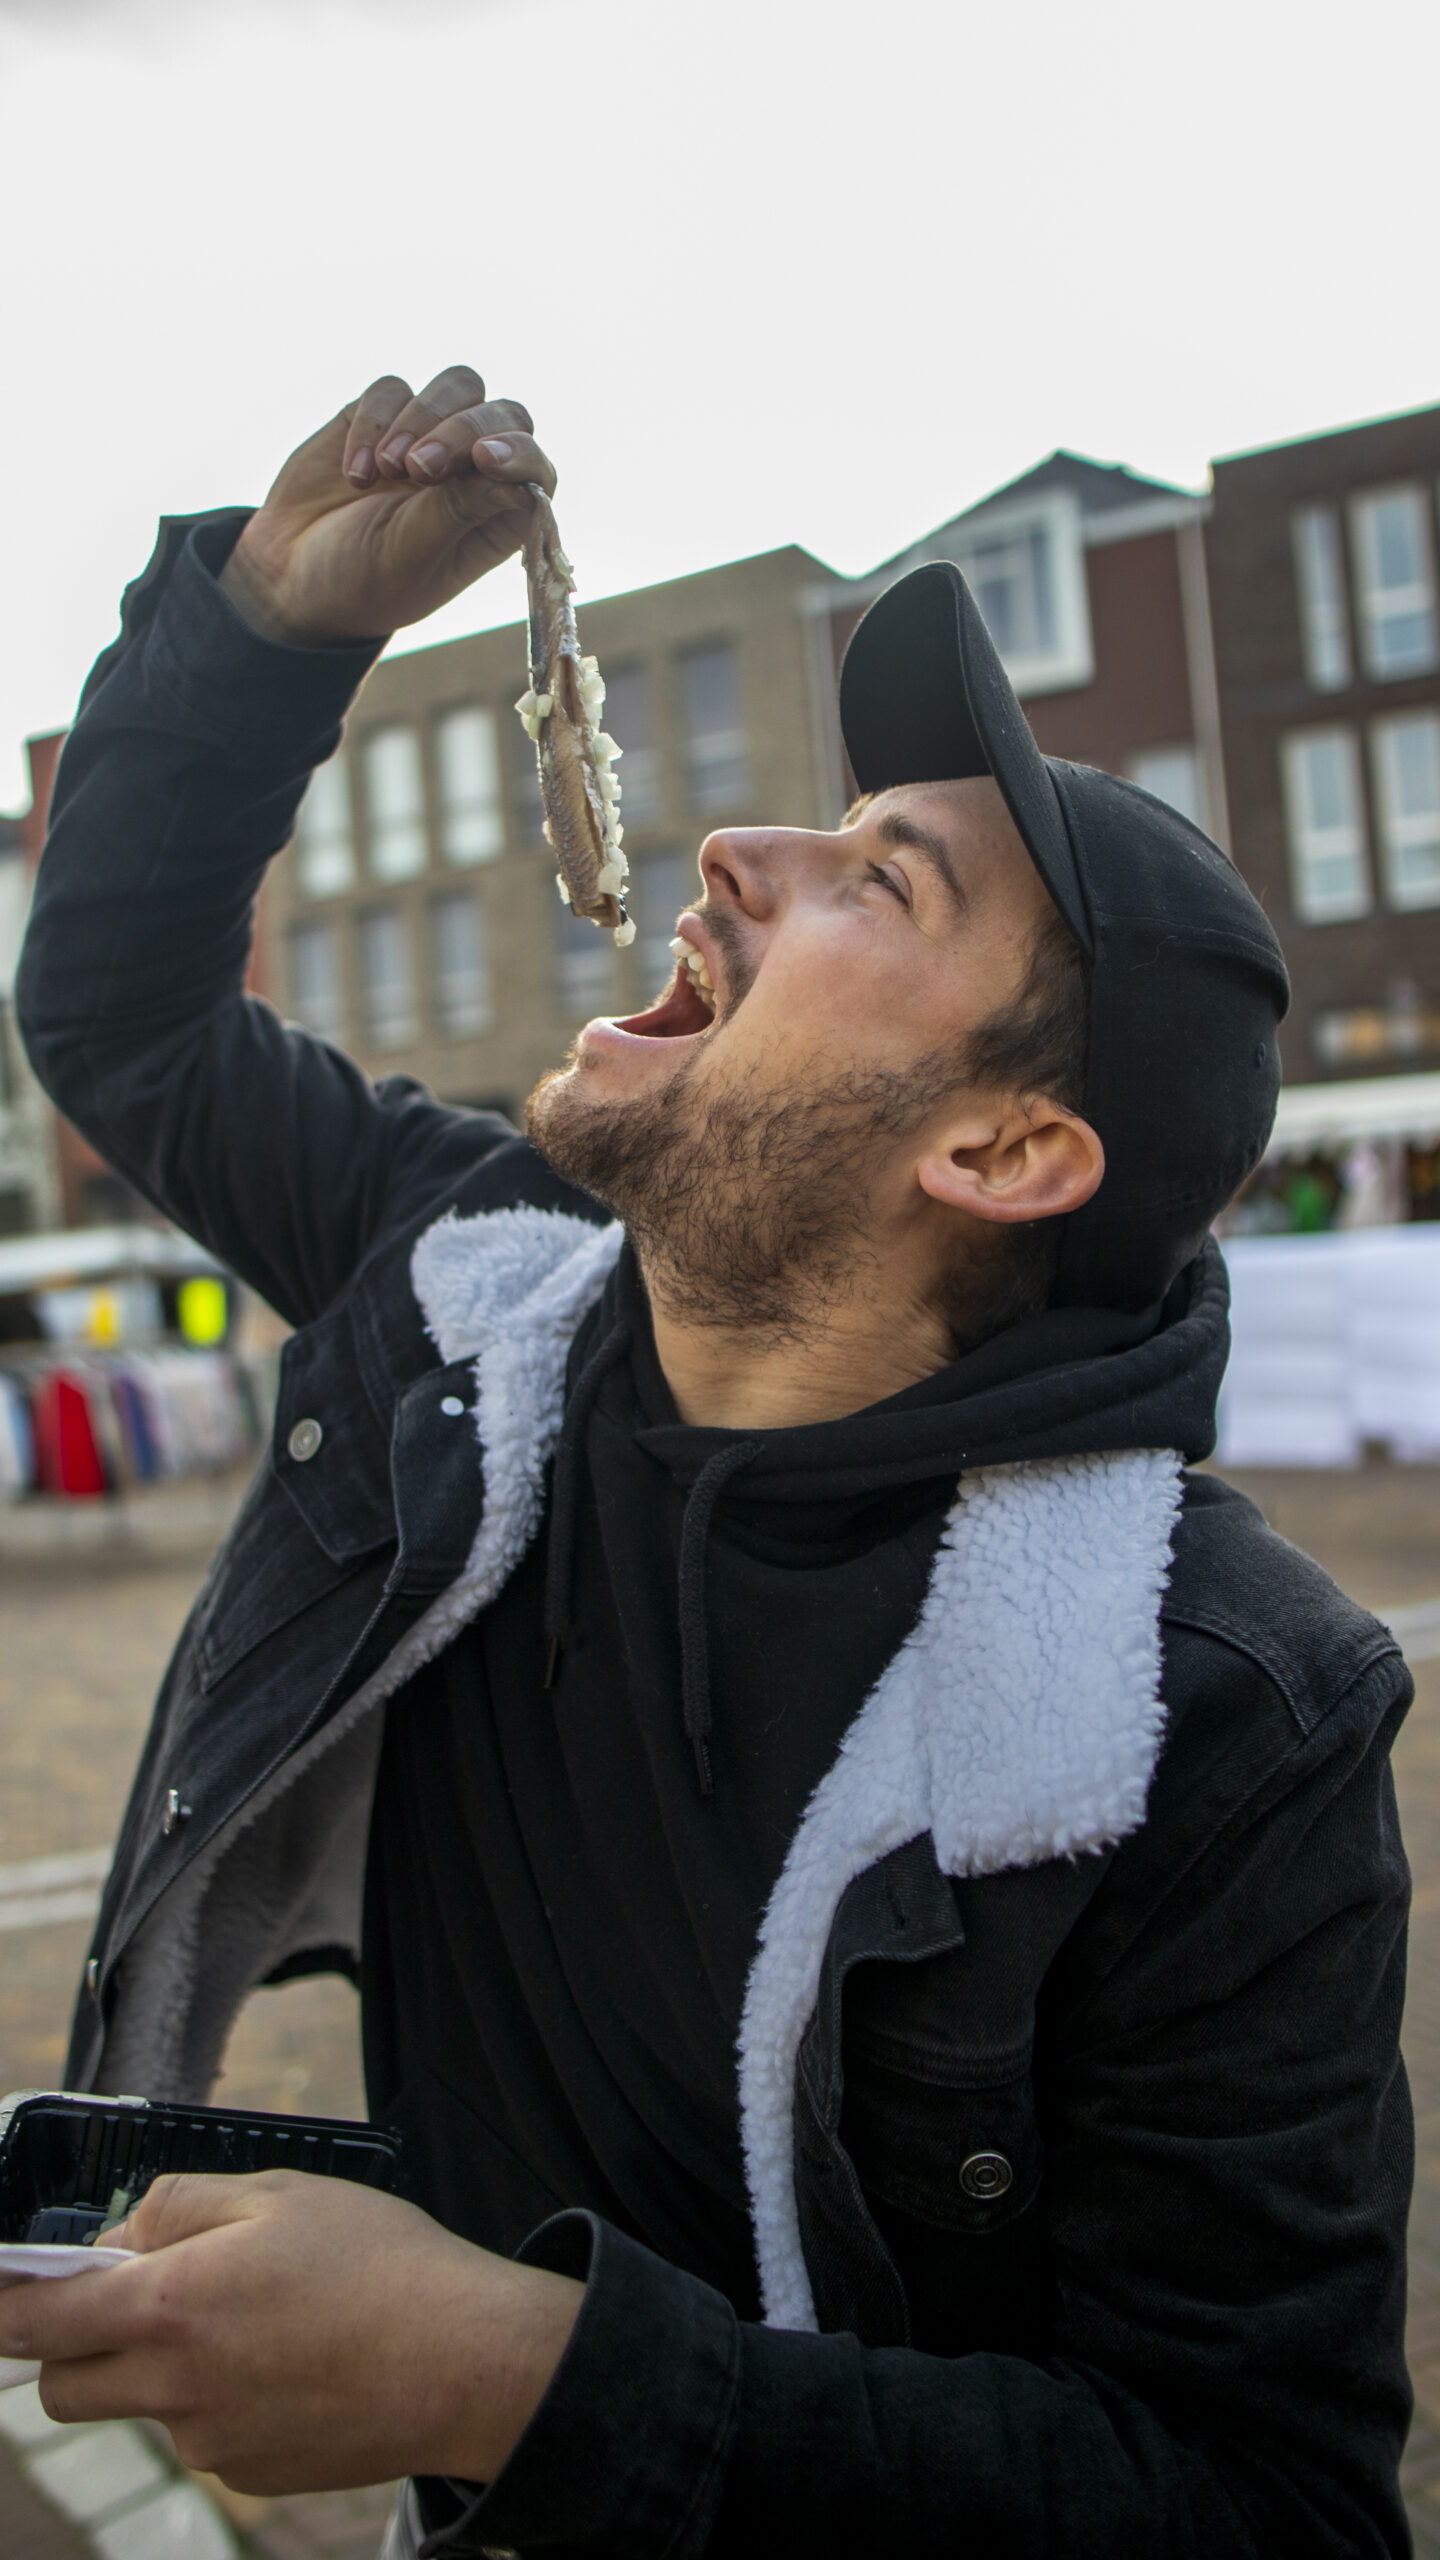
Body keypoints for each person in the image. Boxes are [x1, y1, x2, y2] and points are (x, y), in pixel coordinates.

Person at [5, 365, 1413, 2558]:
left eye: (878, 879)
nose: (731, 859)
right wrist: (267, 627)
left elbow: (1264, 2499)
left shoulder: (1218, 1715)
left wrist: (513, 2371)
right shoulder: (464, 1303)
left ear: (1007, 1143)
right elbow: (123, 1019)